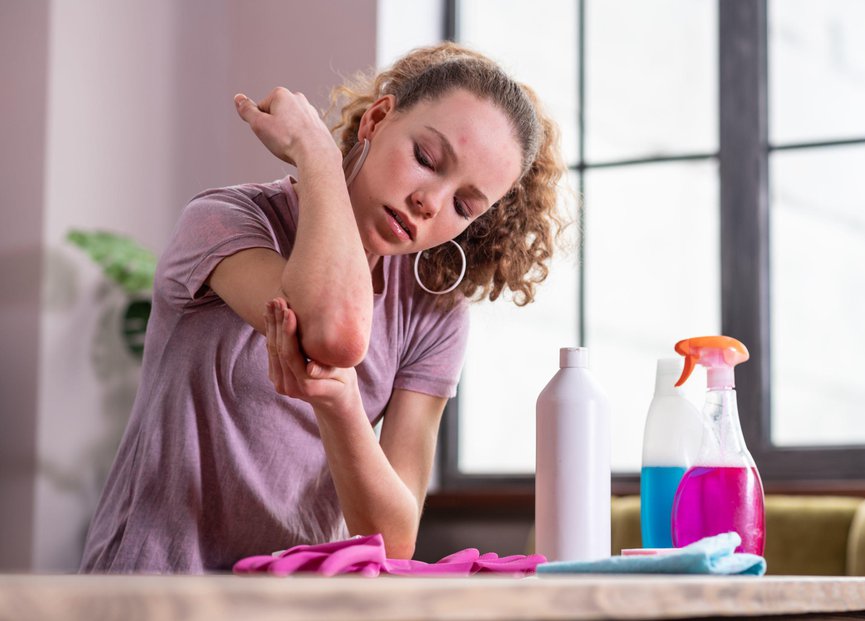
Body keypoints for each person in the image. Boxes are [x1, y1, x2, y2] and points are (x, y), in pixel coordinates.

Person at [80, 42, 566, 573]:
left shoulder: (433, 311)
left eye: (463, 205)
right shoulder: (227, 220)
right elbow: (334, 328)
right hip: (152, 588)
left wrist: (342, 408)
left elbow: (395, 535)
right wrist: (316, 154)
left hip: (297, 601)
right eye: (426, 159)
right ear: (377, 118)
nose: (431, 201)